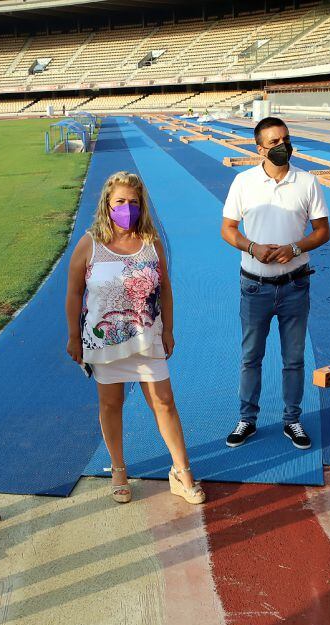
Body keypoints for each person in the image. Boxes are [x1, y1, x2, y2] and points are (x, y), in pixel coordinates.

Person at [65, 171, 204, 506]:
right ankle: (118, 469)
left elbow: (166, 290)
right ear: (107, 204)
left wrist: (168, 329)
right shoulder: (90, 244)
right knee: (111, 405)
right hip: (105, 340)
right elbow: (73, 293)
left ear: (142, 206)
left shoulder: (151, 242)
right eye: (120, 202)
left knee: (164, 402)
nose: (127, 208)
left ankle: (182, 472)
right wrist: (73, 337)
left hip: (148, 337)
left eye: (133, 202)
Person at [220, 116, 330, 450]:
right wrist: (252, 247)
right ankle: (247, 419)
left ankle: (292, 420)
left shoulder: (307, 182)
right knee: (251, 356)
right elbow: (227, 229)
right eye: (273, 142)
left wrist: (295, 247)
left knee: (293, 359)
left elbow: (323, 231)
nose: (282, 146)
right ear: (260, 149)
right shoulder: (243, 182)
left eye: (285, 139)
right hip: (254, 286)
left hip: (296, 286)